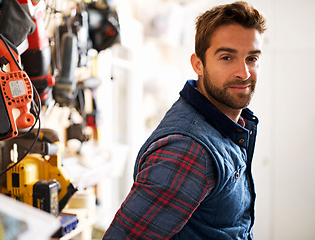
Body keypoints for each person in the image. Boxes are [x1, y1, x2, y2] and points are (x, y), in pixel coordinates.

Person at [103, 1, 267, 239]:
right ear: (198, 64)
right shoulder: (190, 149)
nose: (243, 72)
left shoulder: (227, 128)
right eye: (226, 57)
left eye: (252, 58)